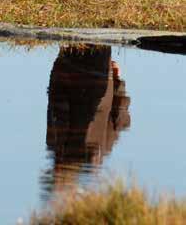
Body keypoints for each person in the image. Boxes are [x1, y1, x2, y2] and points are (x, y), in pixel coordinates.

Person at [42, 45, 131, 198]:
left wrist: (117, 83)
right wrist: (117, 82)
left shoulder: (96, 153)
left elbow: (121, 120)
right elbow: (121, 120)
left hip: (89, 69)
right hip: (89, 69)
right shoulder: (61, 147)